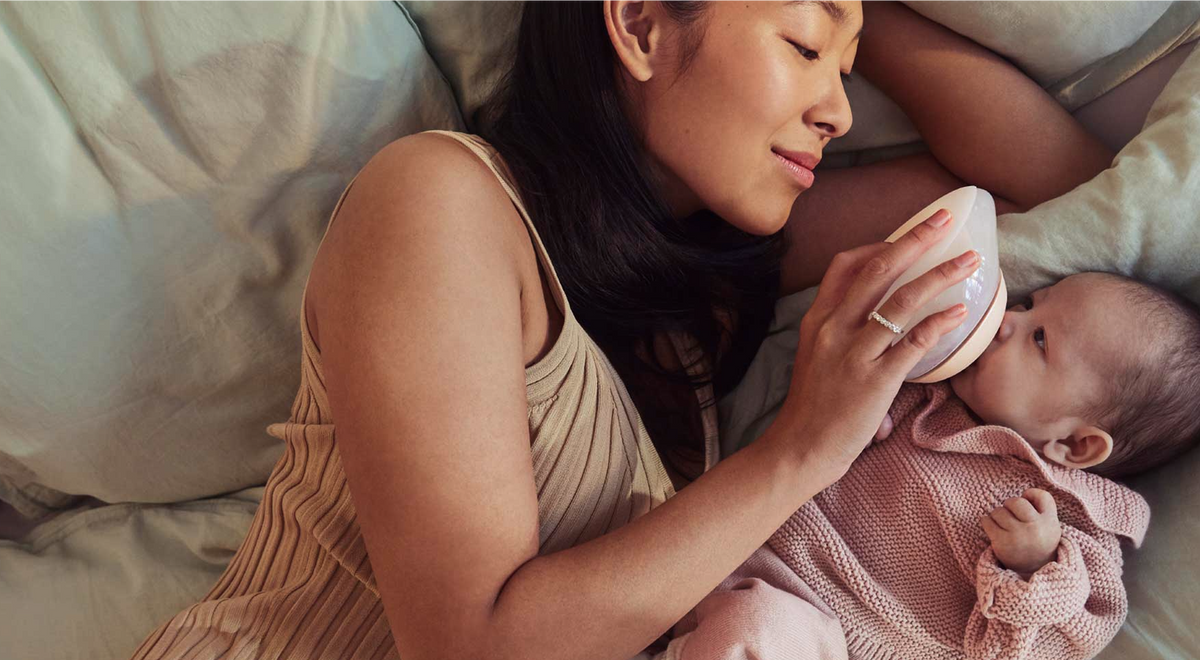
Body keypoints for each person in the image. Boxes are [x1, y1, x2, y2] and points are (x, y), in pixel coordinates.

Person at [128, 0, 1115, 658]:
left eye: (846, 73)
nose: (839, 112)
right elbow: (472, 644)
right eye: (804, 48)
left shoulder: (701, 293)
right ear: (641, 21)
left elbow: (1055, 185)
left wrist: (858, 15)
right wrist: (802, 449)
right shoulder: (438, 207)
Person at [655, 272, 1200, 660]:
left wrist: (1034, 567)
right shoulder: (924, 393)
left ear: (1076, 447)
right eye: (1031, 302)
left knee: (753, 633)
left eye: (1039, 339)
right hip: (740, 552)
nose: (1007, 318)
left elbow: (1065, 637)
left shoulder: (1077, 528)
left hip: (841, 637)